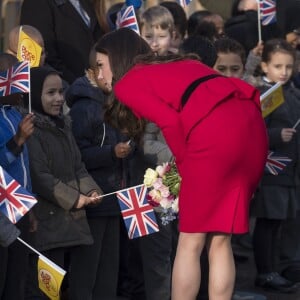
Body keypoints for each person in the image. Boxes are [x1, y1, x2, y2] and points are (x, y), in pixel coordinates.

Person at [95, 27, 268, 300]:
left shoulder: (127, 83)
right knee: (220, 239)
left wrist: (184, 166)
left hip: (213, 135)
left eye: (101, 65)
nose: (99, 74)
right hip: (251, 126)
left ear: (117, 59)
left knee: (190, 240)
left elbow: (170, 121)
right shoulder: (175, 62)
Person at [23, 66, 103, 299]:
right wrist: (75, 198)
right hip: (44, 224)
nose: (59, 98)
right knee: (45, 291)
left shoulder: (63, 125)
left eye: (61, 92)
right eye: (50, 93)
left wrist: (91, 190)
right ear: (35, 94)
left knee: (69, 287)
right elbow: (40, 177)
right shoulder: (30, 129)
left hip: (68, 223)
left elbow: (77, 166)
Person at [66, 44, 134, 300]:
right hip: (93, 200)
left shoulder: (114, 102)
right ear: (91, 73)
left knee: (109, 269)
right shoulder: (84, 108)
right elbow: (79, 155)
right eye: (104, 69)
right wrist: (111, 153)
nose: (111, 76)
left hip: (115, 197)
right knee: (87, 270)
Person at [250, 38, 300, 293]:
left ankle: (278, 267)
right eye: (278, 66)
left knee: (279, 222)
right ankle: (265, 272)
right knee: (268, 223)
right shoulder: (265, 94)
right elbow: (252, 130)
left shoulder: (293, 93)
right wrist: (275, 135)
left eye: (289, 66)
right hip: (271, 169)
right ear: (265, 66)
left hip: (289, 170)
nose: (284, 72)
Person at [0, 53, 35, 300]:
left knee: (18, 280)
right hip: (2, 210)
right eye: (15, 80)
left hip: (20, 208)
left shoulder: (16, 113)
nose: (22, 87)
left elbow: (25, 169)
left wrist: (30, 207)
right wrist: (18, 140)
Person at [20, 0, 105, 84]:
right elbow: (44, 59)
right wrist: (80, 86)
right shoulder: (37, 3)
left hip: (95, 88)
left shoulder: (85, 3)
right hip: (66, 91)